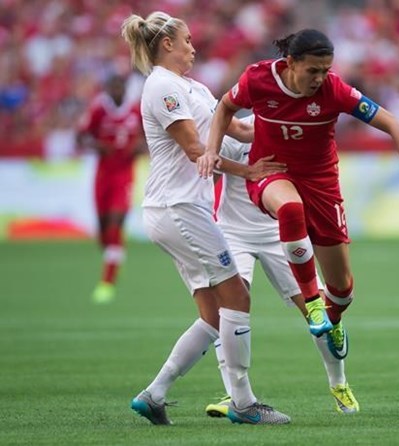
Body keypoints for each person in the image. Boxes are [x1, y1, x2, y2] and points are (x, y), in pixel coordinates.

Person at [198, 29, 399, 362]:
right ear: (290, 62)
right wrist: (211, 151)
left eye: (326, 70)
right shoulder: (258, 79)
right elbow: (224, 108)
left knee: (343, 289)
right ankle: (313, 303)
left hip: (322, 184)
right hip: (272, 172)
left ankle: (332, 316)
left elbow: (395, 124)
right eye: (313, 71)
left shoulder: (335, 90)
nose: (321, 78)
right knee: (290, 210)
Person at [120, 11, 290, 425]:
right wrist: (247, 172)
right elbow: (197, 150)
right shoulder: (161, 87)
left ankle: (154, 395)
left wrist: (288, 118)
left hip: (183, 210)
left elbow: (240, 132)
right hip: (177, 208)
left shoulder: (191, 87)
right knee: (238, 297)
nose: (194, 47)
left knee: (215, 315)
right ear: (167, 45)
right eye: (188, 41)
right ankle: (245, 404)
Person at [204, 115, 359, 416]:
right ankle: (234, 393)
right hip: (233, 233)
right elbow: (209, 164)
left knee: (318, 312)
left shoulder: (294, 133)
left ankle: (339, 382)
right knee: (230, 309)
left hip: (280, 236)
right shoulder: (235, 129)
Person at [76, 74, 145, 304]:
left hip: (124, 176)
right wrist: (97, 145)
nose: (116, 91)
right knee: (104, 231)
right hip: (103, 175)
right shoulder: (99, 110)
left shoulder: (136, 111)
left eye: (119, 87)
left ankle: (107, 282)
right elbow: (80, 137)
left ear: (125, 89)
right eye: (112, 87)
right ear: (107, 89)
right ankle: (114, 257)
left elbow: (151, 137)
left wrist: (140, 148)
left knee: (116, 224)